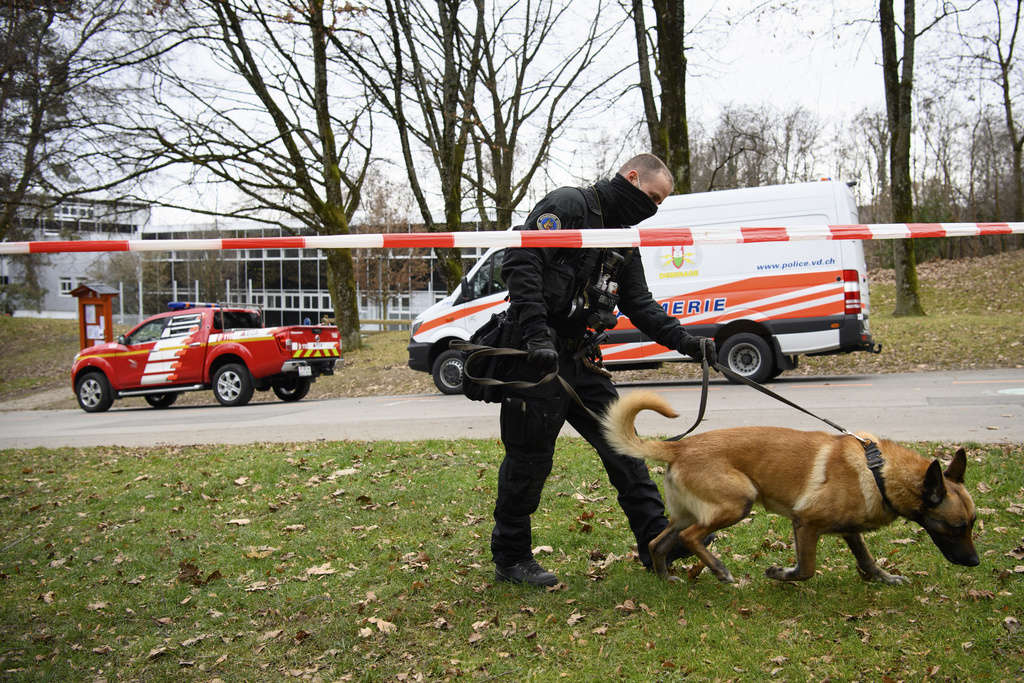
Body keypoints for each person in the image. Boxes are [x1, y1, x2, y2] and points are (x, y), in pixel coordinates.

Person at [491, 153, 718, 587]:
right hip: (535, 356)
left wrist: (686, 342)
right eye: (651, 196)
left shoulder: (624, 240)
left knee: (627, 452)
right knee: (528, 462)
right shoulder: (569, 205)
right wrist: (537, 335)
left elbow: (641, 305)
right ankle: (511, 558)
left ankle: (657, 545)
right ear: (631, 178)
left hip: (581, 359)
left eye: (660, 203)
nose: (652, 207)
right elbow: (521, 262)